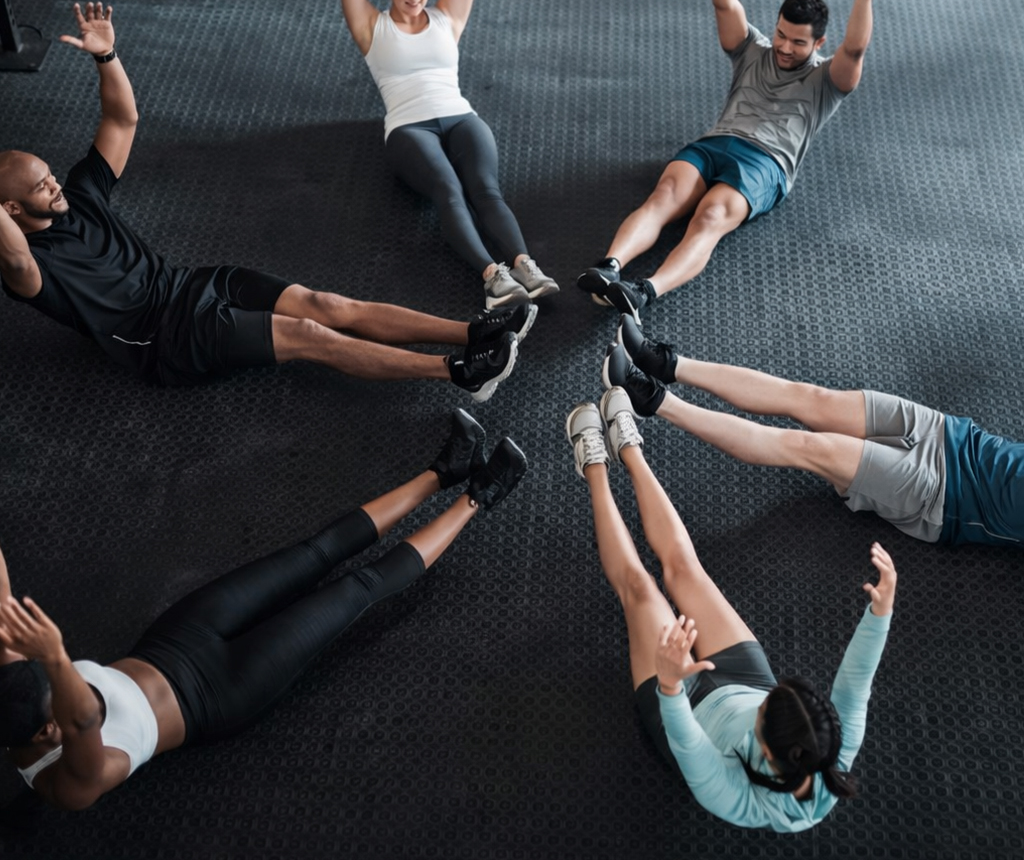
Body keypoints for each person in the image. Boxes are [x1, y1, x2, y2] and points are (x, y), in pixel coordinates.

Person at [0, 1, 536, 400]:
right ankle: (458, 371)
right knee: (308, 335)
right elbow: (16, 257)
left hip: (188, 283)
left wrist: (107, 55)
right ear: (12, 211)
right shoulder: (32, 270)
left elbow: (123, 120)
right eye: (41, 186)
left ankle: (473, 331)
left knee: (328, 306)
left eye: (50, 175)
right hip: (164, 337)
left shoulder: (80, 194)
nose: (55, 185)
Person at [0, 411, 527, 811]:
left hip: (171, 643)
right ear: (47, 732)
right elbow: (86, 718)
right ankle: (478, 497)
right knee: (356, 589)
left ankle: (443, 471)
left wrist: (32, 650)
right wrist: (56, 656)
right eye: (54, 683)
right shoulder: (69, 782)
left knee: (313, 552)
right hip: (219, 691)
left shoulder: (11, 686)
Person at [565, 388, 895, 831]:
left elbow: (689, 745)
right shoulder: (830, 748)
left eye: (765, 711)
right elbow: (854, 688)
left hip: (688, 713)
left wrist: (671, 683)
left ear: (766, 749)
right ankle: (629, 448)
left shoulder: (735, 798)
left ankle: (594, 466)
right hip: (743, 680)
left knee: (642, 590)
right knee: (685, 570)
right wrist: (879, 614)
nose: (767, 701)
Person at [578, 0, 880, 323]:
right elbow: (726, 2)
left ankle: (645, 290)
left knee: (711, 215)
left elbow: (856, 48)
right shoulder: (752, 49)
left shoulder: (828, 81)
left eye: (798, 42)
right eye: (781, 34)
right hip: (716, 143)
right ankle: (610, 267)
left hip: (766, 163)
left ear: (818, 43)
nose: (784, 47)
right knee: (665, 194)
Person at [329, 0, 558, 311]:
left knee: (486, 190)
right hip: (409, 128)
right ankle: (493, 278)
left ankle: (525, 266)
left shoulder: (447, 17)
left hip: (459, 116)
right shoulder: (371, 27)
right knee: (449, 190)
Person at [606, 315, 1024, 547]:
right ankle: (666, 364)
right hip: (955, 436)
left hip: (941, 495)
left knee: (804, 445)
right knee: (811, 398)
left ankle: (655, 401)